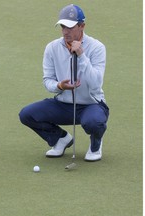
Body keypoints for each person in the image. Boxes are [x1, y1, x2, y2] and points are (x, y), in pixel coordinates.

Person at [19, 4, 109, 161]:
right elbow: (47, 80)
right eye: (62, 26)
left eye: (70, 27)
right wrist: (60, 86)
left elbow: (96, 83)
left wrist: (81, 56)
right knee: (27, 114)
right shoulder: (52, 48)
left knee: (94, 122)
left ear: (82, 26)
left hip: (91, 104)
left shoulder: (97, 48)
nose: (65, 31)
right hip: (63, 104)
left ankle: (95, 145)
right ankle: (60, 139)